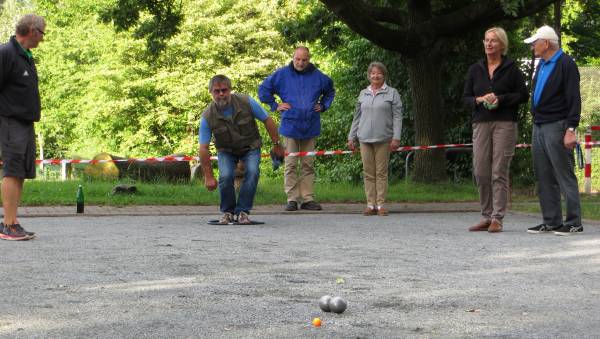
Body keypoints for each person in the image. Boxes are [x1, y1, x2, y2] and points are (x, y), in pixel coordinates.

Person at [462, 27, 529, 233]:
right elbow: (464, 99)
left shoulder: (512, 69)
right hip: (481, 122)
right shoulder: (475, 69)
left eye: (493, 41)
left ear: (502, 45)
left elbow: (523, 95)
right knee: (481, 171)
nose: (489, 44)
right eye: (486, 40)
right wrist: (479, 100)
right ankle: (486, 215)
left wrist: (501, 99)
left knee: (498, 170)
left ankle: (497, 217)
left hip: (504, 123)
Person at [199, 75, 284, 224]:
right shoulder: (207, 116)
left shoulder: (246, 101)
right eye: (217, 91)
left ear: (230, 90)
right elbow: (203, 148)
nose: (221, 94)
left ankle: (243, 212)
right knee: (225, 176)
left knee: (252, 172)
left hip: (250, 146)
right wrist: (208, 176)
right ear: (210, 92)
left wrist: (277, 144)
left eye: (224, 90)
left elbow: (267, 120)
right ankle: (228, 212)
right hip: (226, 150)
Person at [258, 46, 335, 211]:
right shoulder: (282, 74)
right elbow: (263, 90)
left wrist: (323, 105)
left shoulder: (319, 76)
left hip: (311, 125)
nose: (300, 62)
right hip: (290, 126)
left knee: (308, 164)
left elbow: (330, 92)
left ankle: (307, 199)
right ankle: (292, 199)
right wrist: (275, 105)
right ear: (293, 58)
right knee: (290, 163)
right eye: (297, 59)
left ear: (309, 59)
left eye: (304, 60)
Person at [523, 25, 583, 235]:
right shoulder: (542, 65)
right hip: (539, 125)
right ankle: (552, 221)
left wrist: (570, 128)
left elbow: (574, 99)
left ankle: (574, 221)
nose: (533, 47)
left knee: (564, 174)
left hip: (557, 125)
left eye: (535, 43)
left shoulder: (566, 64)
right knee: (544, 175)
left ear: (546, 43)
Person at [0, 14, 46, 241]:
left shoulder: (26, 56)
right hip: (10, 122)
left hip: (25, 123)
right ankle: (7, 224)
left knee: (21, 172)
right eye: (42, 33)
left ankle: (13, 221)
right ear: (31, 30)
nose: (43, 39)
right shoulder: (6, 53)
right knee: (12, 170)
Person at [347, 62, 402, 216]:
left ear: (384, 75)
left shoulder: (392, 93)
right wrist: (351, 137)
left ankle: (381, 205)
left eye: (379, 73)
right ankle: (370, 205)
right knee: (368, 173)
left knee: (381, 173)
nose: (375, 76)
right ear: (369, 75)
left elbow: (398, 117)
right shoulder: (363, 93)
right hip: (364, 138)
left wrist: (396, 137)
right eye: (373, 73)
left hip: (384, 138)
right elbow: (357, 117)